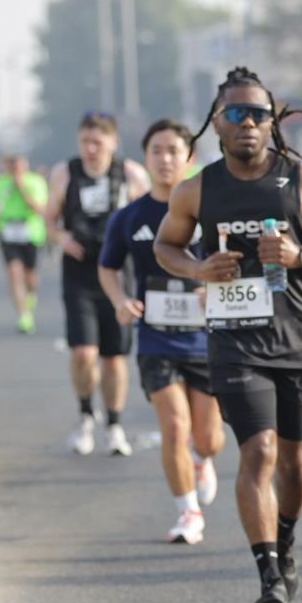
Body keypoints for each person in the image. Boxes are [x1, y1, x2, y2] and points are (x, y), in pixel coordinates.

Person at [155, 66, 302, 603]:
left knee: (294, 460)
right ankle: (269, 574)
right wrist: (199, 270)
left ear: (273, 121)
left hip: (296, 336)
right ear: (215, 123)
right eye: (236, 114)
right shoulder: (197, 188)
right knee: (260, 452)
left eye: (259, 113)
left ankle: (285, 539)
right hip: (233, 340)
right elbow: (166, 247)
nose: (248, 123)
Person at [98, 119, 224, 544]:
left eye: (174, 150)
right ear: (145, 157)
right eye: (157, 150)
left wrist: (214, 289)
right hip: (156, 339)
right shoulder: (129, 217)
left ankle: (202, 462)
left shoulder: (211, 209)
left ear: (188, 158)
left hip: (206, 339)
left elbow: (234, 260)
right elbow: (108, 267)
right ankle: (187, 511)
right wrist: (120, 300)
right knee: (174, 427)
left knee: (208, 437)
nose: (165, 158)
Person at [44, 112, 149, 456]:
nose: (91, 149)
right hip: (79, 272)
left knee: (114, 357)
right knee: (83, 352)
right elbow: (49, 220)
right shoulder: (65, 173)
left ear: (113, 143)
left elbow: (150, 216)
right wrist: (61, 238)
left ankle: (114, 425)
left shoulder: (131, 174)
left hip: (119, 272)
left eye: (98, 142)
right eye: (85, 142)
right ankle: (86, 414)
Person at [0, 153, 49, 333]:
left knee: (30, 277)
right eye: (12, 166)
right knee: (14, 273)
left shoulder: (36, 182)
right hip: (8, 231)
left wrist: (21, 188)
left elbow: (39, 209)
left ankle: (30, 297)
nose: (15, 169)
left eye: (19, 165)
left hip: (31, 232)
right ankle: (24, 316)